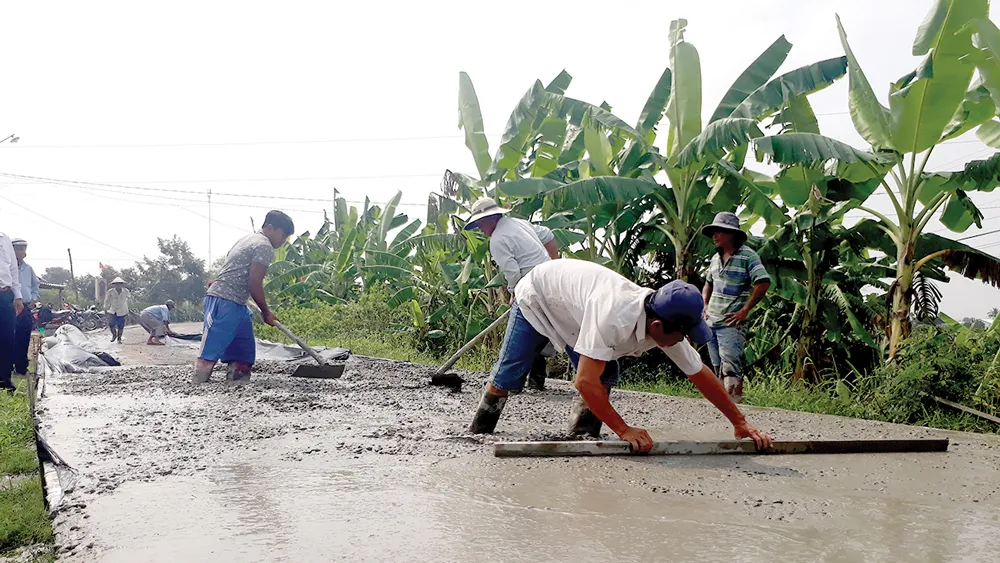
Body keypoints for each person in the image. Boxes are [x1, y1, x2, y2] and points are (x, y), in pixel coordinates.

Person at [467, 259, 773, 453]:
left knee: (605, 375)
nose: (684, 341)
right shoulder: (614, 316)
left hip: (577, 309)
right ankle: (478, 432)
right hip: (539, 295)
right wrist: (624, 430)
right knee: (510, 372)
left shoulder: (665, 321)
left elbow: (699, 373)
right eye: (683, 335)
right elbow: (583, 382)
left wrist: (740, 421)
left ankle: (582, 438)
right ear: (656, 326)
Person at [463, 197, 559, 391]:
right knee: (540, 330)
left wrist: (515, 292)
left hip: (532, 287)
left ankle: (508, 384)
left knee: (519, 336)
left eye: (481, 223)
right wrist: (554, 263)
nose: (481, 229)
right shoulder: (519, 224)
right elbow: (547, 235)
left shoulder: (498, 239)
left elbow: (512, 272)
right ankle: (535, 381)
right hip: (549, 282)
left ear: (492, 218)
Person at [194, 210, 294, 383]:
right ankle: (196, 388)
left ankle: (238, 388)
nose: (283, 241)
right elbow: (254, 282)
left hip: (239, 304)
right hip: (224, 301)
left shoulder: (247, 239)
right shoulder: (264, 246)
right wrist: (266, 311)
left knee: (243, 354)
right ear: (270, 228)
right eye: (283, 235)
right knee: (209, 353)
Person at [701, 212, 771, 404]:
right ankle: (721, 404)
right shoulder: (715, 258)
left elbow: (763, 282)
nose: (715, 236)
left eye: (719, 232)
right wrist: (704, 305)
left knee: (731, 366)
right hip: (711, 320)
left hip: (731, 323)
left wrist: (745, 310)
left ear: (731, 234)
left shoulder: (748, 256)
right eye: (714, 232)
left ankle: (734, 405)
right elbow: (708, 283)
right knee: (716, 364)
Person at [11, 239, 39, 375]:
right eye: (18, 249)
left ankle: (21, 367)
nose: (21, 252)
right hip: (10, 307)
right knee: (9, 336)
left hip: (26, 307)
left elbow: (35, 284)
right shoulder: (7, 267)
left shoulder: (28, 269)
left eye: (23, 249)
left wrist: (34, 298)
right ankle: (8, 366)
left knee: (24, 336)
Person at [0, 233, 23, 392]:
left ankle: (4, 379)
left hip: (5, 294)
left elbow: (13, 270)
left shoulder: (4, 239)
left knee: (7, 337)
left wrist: (18, 296)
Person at [104, 277, 130, 344]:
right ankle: (114, 335)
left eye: (119, 284)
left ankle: (119, 338)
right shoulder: (110, 291)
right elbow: (106, 300)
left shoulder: (126, 291)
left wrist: (129, 309)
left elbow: (129, 300)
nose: (118, 285)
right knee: (111, 324)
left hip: (122, 310)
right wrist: (105, 308)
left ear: (122, 284)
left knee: (121, 326)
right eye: (116, 284)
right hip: (113, 310)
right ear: (114, 285)